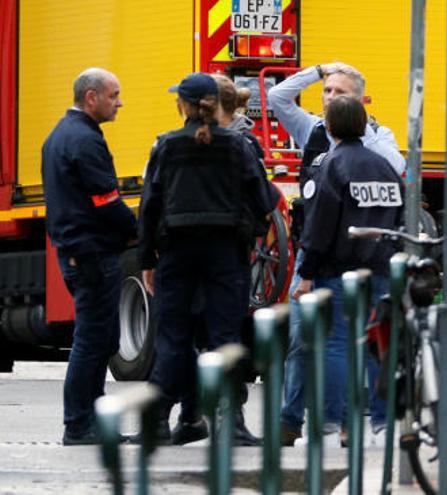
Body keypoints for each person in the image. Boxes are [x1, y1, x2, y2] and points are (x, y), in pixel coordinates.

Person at [268, 62, 404, 445]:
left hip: (330, 262)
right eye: (326, 92)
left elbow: (396, 168)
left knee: (345, 343)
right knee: (300, 340)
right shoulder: (311, 130)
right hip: (318, 259)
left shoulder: (377, 141)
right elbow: (277, 98)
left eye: (338, 94)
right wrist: (318, 70)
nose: (328, 99)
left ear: (361, 102)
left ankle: (340, 421)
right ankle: (291, 419)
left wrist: (360, 129)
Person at [138, 73, 275, 444]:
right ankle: (232, 423)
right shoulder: (238, 145)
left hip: (176, 255)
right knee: (225, 338)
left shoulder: (166, 146)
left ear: (182, 105)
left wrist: (146, 260)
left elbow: (150, 207)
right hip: (226, 255)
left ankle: (161, 421)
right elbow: (264, 200)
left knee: (173, 339)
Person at [42, 68, 137, 445]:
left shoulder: (60, 136)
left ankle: (91, 423)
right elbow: (106, 200)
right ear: (91, 97)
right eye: (114, 95)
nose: (120, 102)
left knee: (100, 338)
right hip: (93, 252)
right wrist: (137, 232)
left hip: (79, 251)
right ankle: (79, 424)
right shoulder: (84, 140)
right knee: (92, 339)